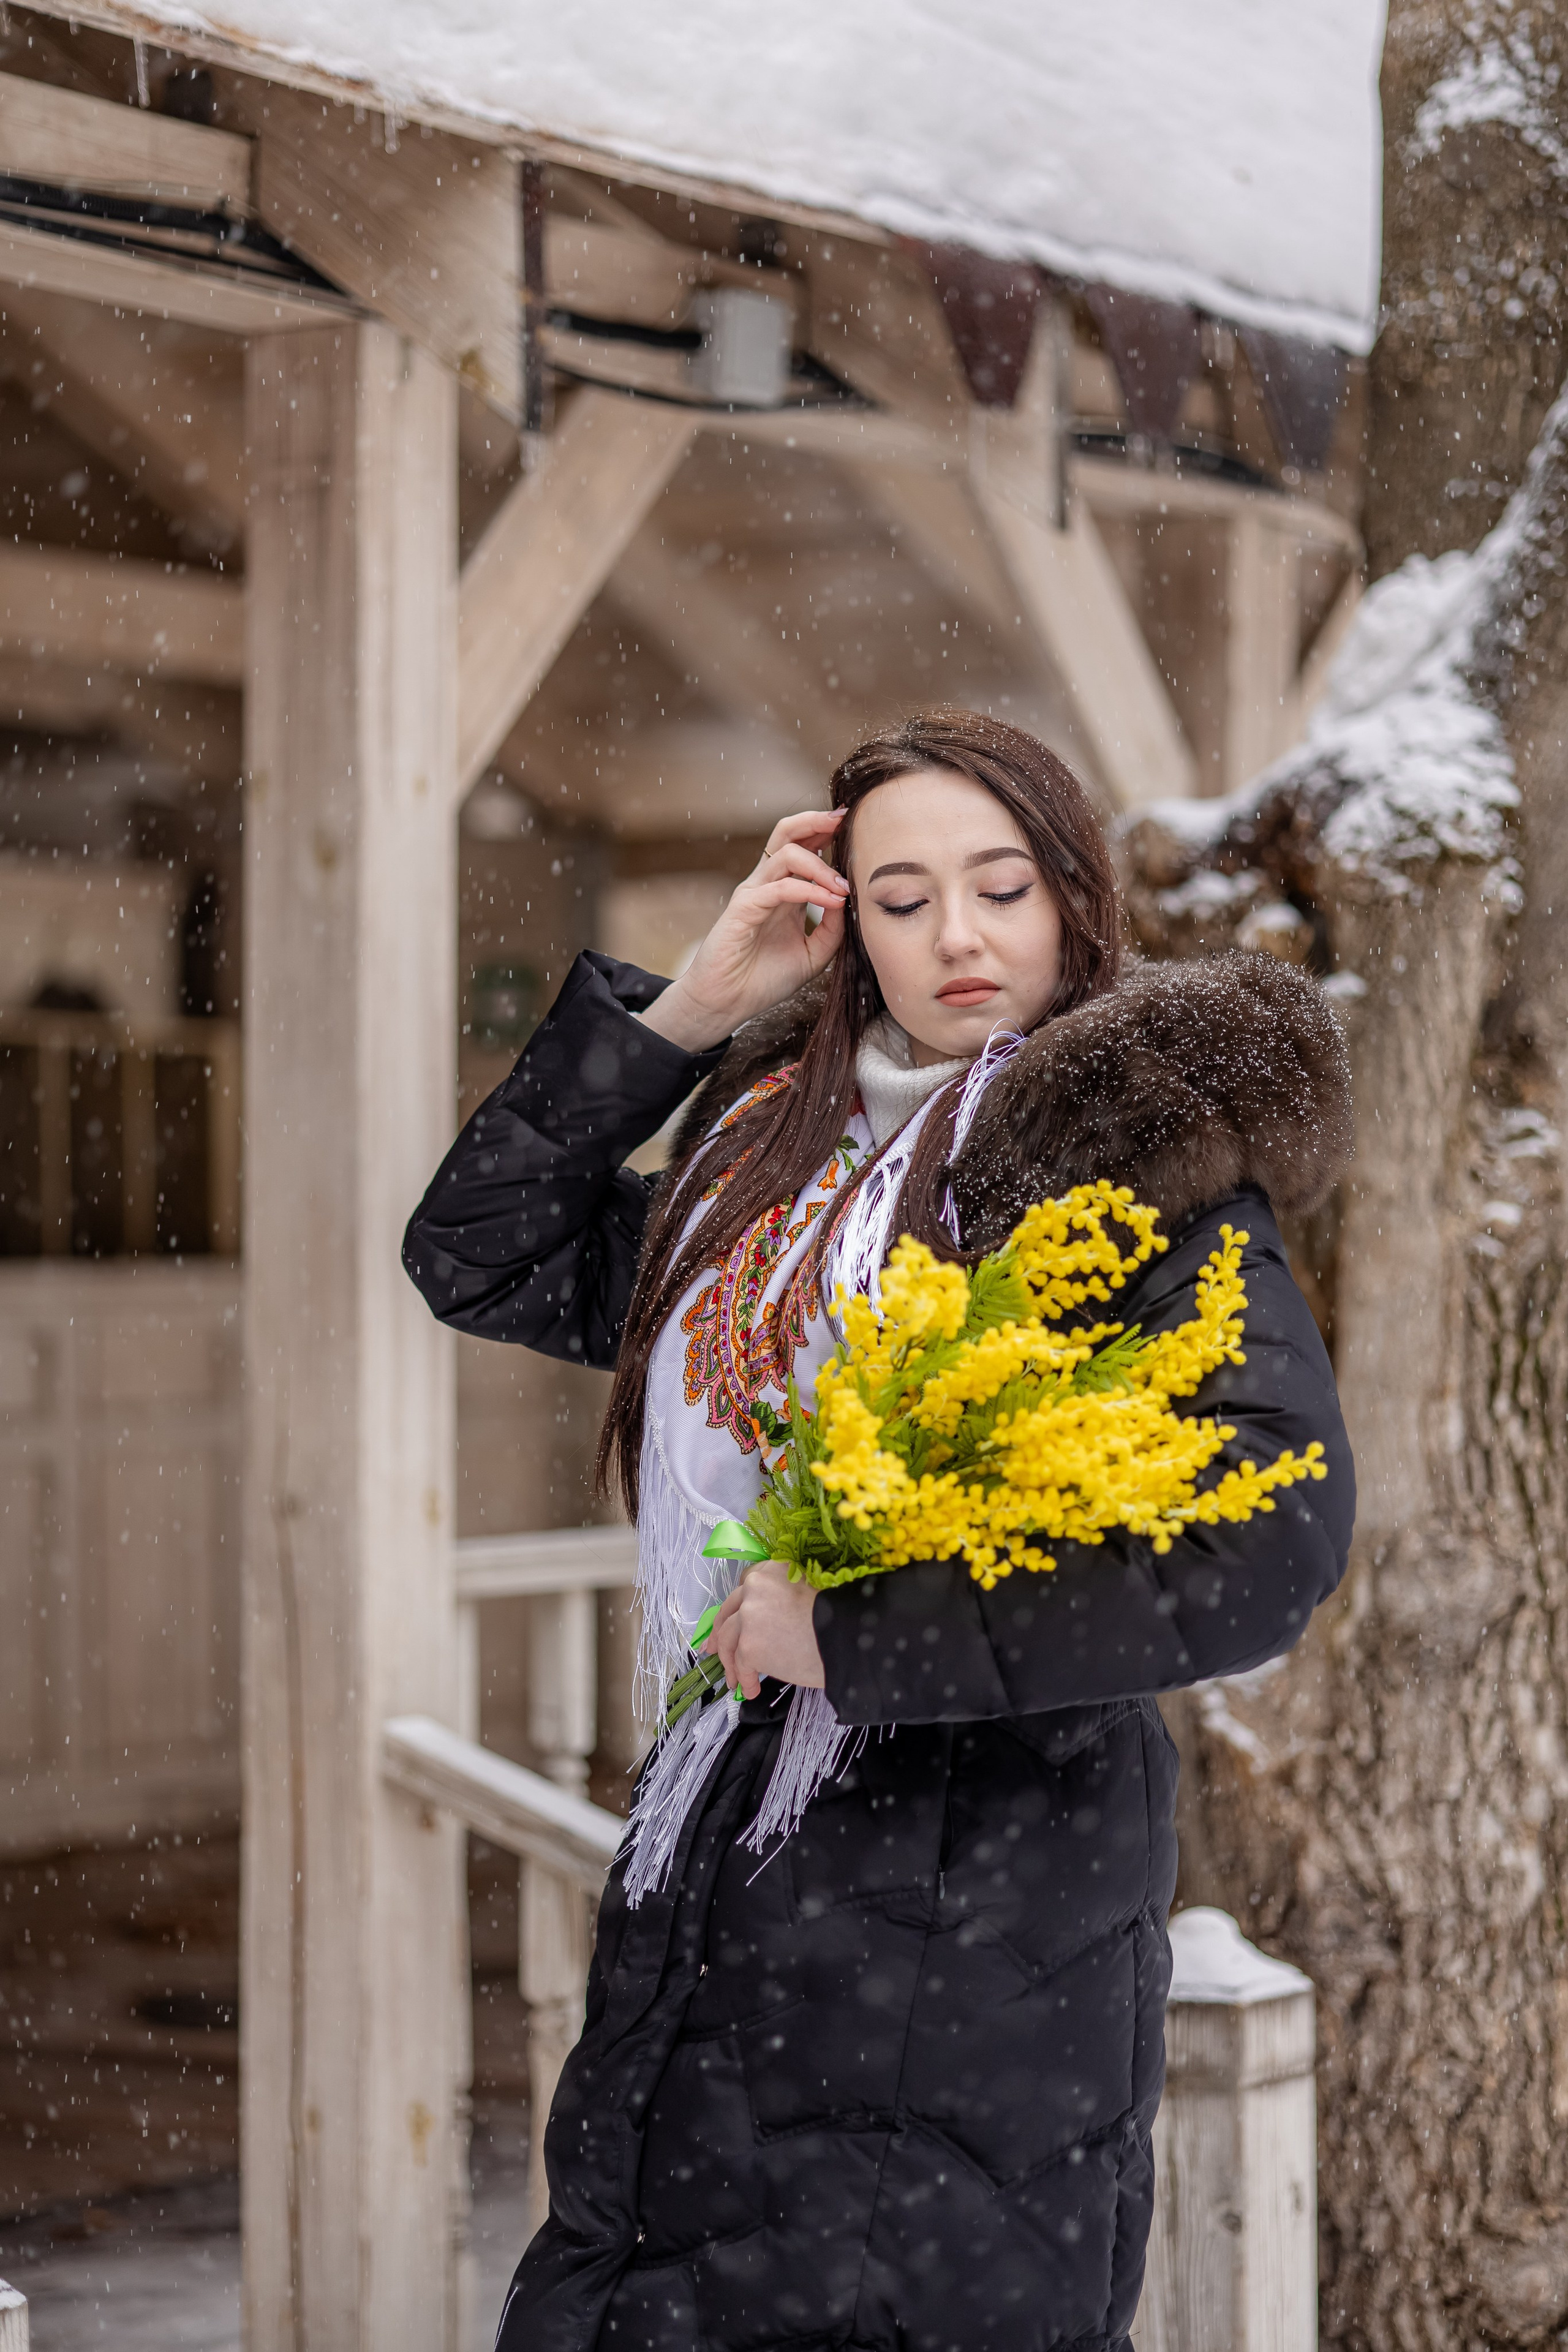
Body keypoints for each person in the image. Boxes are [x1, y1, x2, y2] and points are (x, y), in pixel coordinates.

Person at [403, 707, 1355, 2352]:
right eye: (901, 898)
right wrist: (694, 1005)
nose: (959, 937)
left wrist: (851, 1634)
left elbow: (1264, 1540)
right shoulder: (769, 1178)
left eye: (1001, 886)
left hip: (981, 1926)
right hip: (722, 1887)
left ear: (1072, 898)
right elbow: (476, 1252)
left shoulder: (1130, 1182)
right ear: (845, 924)